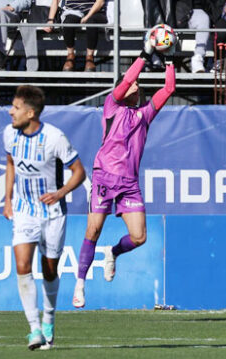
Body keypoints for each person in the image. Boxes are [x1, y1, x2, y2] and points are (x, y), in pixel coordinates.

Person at [72, 29, 176, 308]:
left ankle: (114, 252)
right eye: (131, 84)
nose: (135, 85)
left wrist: (170, 60)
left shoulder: (144, 114)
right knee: (92, 230)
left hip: (129, 182)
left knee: (140, 237)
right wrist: (145, 53)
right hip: (104, 176)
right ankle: (80, 283)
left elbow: (168, 90)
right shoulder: (112, 105)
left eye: (137, 84)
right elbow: (127, 79)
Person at [3, 85, 86, 350]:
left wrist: (60, 192)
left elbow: (79, 172)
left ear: (30, 112)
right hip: (25, 210)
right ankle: (34, 329)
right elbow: (11, 164)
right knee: (22, 265)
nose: (10, 112)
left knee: (49, 269)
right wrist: (7, 199)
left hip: (52, 214)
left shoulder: (54, 138)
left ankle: (49, 319)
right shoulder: (9, 134)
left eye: (15, 108)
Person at [45, 0, 107, 71]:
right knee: (68, 24)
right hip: (74, 10)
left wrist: (87, 17)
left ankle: (89, 57)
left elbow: (100, 2)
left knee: (91, 23)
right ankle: (70, 55)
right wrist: (50, 20)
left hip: (95, 10)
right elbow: (56, 1)